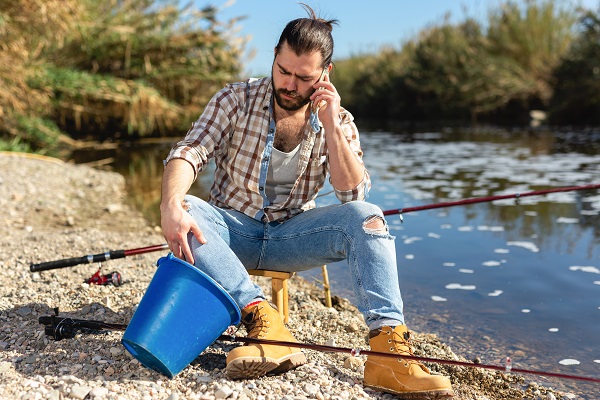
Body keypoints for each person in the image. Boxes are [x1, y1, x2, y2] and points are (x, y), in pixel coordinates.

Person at [160, 4, 454, 399]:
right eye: (283, 70)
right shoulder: (235, 98)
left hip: (291, 237)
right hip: (233, 231)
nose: (290, 85)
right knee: (187, 207)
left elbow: (352, 194)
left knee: (368, 217)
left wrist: (330, 122)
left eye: (304, 78)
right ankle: (264, 320)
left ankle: (387, 353)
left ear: (324, 75)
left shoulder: (339, 119)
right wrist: (170, 205)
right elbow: (189, 152)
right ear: (275, 58)